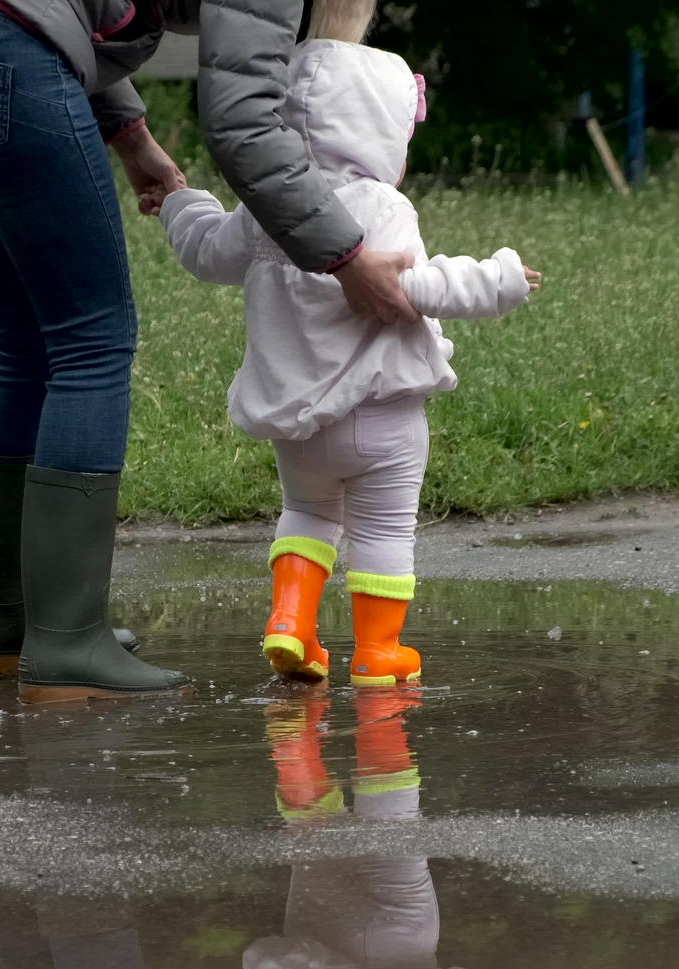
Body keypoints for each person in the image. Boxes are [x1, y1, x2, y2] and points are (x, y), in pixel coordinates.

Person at [0, 0, 426, 704]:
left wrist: (133, 138)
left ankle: (6, 627)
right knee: (90, 339)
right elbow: (242, 121)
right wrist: (346, 256)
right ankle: (68, 643)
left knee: (25, 337)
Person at [160, 37, 540, 687]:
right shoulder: (381, 207)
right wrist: (499, 279)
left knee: (307, 513)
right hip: (382, 413)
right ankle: (377, 651)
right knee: (386, 528)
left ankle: (291, 621)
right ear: (382, 131)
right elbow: (414, 286)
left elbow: (203, 251)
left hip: (299, 421)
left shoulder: (266, 208)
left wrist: (175, 198)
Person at [249, 689, 470, 969]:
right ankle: (290, 718)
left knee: (393, 823)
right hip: (317, 965)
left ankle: (376, 674)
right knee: (312, 830)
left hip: (402, 948)